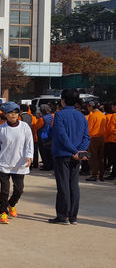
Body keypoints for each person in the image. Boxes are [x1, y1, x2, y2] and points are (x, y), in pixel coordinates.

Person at [50, 88, 90, 225]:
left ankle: (63, 215)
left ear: (63, 100)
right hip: (77, 155)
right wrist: (80, 151)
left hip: (63, 153)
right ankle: (73, 216)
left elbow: (62, 136)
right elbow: (86, 137)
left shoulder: (59, 115)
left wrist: (73, 150)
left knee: (63, 185)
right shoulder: (81, 116)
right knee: (73, 185)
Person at [0, 102, 33, 224]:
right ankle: (3, 212)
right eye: (10, 113)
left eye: (15, 112)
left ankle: (11, 204)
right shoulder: (1, 129)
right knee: (5, 190)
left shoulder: (25, 127)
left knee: (19, 189)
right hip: (4, 163)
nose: (13, 115)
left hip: (20, 163)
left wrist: (29, 156)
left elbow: (29, 143)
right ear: (5, 114)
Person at [86, 101, 106, 181]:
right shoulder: (103, 115)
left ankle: (94, 175)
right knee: (101, 157)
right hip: (102, 138)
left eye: (88, 106)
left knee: (92, 157)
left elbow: (89, 129)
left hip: (93, 138)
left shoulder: (92, 116)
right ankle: (101, 175)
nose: (87, 108)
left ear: (91, 106)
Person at [37, 104, 54, 171]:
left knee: (44, 152)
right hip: (50, 135)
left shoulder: (42, 119)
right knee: (50, 152)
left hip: (43, 136)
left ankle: (46, 166)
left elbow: (37, 127)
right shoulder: (52, 116)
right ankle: (51, 165)